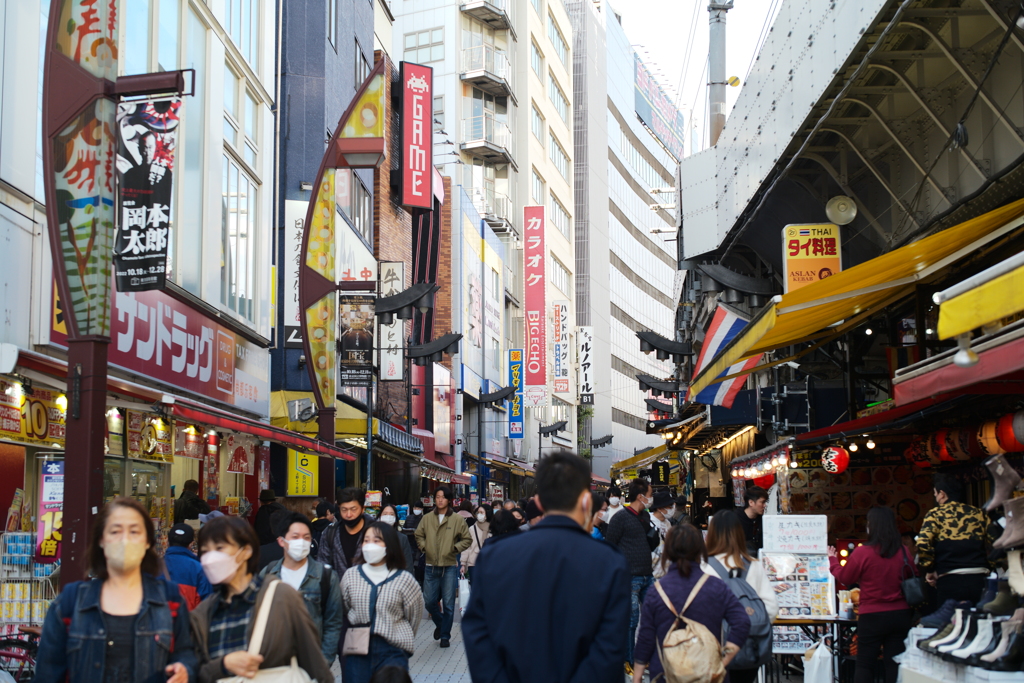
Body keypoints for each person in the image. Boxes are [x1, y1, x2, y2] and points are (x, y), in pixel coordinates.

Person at [463, 451, 631, 683]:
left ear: (538, 501)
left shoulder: (495, 556)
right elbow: (609, 650)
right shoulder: (609, 562)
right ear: (585, 500)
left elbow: (478, 635)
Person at [36, 498, 196, 683]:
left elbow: (187, 655)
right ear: (101, 541)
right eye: (115, 531)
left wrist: (184, 670)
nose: (125, 540)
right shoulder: (71, 602)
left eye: (134, 531)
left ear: (147, 542)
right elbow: (46, 675)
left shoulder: (170, 599)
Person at [190, 515, 333, 683]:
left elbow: (313, 660)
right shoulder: (203, 613)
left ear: (246, 551)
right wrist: (223, 665)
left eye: (220, 548)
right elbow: (194, 672)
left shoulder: (281, 597)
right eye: (205, 551)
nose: (211, 558)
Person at [633, 523, 751, 683]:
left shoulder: (657, 591)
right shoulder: (716, 586)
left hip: (666, 673)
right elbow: (742, 622)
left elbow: (646, 637)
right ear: (700, 550)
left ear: (668, 551)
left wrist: (638, 675)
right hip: (709, 673)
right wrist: (725, 659)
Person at [829, 507, 916, 683]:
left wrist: (833, 560)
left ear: (872, 526)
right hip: (900, 615)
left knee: (865, 664)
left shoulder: (863, 552)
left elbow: (846, 577)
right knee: (894, 663)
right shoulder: (903, 551)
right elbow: (913, 575)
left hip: (872, 615)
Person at [340, 522, 424, 682]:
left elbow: (414, 617)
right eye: (366, 540)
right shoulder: (351, 576)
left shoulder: (404, 579)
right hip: (357, 649)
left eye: (377, 540)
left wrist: (396, 634)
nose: (370, 545)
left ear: (389, 545)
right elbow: (344, 608)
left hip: (392, 651)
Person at [703, 510, 779, 683]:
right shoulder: (754, 565)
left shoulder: (704, 567)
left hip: (713, 650)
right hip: (749, 649)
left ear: (712, 534)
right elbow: (771, 609)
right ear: (739, 533)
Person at [259, 511, 344, 664]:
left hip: (311, 661)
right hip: (273, 661)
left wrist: (324, 661)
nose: (301, 542)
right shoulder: (268, 574)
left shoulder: (325, 577)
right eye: (295, 537)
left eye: (306, 538)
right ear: (281, 541)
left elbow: (333, 622)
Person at [916, 473, 991, 606]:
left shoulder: (935, 515)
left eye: (935, 493)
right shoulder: (978, 513)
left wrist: (930, 569)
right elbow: (996, 541)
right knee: (980, 621)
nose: (935, 496)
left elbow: (923, 543)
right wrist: (992, 566)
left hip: (949, 579)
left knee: (949, 622)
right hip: (979, 578)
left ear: (942, 494)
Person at [605, 478, 656, 672]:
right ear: (641, 496)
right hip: (630, 577)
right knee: (632, 621)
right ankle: (629, 659)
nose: (651, 499)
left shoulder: (645, 516)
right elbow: (610, 545)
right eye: (649, 496)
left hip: (647, 574)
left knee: (653, 615)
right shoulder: (620, 517)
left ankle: (647, 656)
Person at [414, 486, 471, 648]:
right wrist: (425, 547)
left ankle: (445, 635)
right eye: (437, 497)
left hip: (449, 566)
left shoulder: (457, 519)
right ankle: (440, 624)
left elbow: (466, 539)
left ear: (449, 500)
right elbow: (419, 534)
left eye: (443, 497)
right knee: (429, 601)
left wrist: (454, 549)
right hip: (431, 566)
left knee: (448, 603)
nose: (439, 500)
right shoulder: (427, 518)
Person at [320, 487, 376, 576]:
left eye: (353, 509)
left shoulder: (377, 531)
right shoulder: (330, 533)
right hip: (338, 588)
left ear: (362, 509)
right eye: (344, 510)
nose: (348, 515)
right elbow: (322, 566)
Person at [165, 522, 214, 610]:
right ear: (191, 544)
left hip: (158, 622)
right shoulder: (199, 568)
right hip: (189, 621)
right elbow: (206, 604)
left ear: (167, 542)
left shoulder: (155, 565)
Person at [461, 505, 492, 583]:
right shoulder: (472, 529)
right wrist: (463, 563)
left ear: (487, 514)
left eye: (482, 512)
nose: (479, 515)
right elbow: (467, 546)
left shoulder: (493, 528)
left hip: (490, 563)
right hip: (474, 563)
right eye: (478, 512)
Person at [378, 504, 415, 569]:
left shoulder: (402, 539)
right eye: (385, 514)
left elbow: (408, 564)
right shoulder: (373, 537)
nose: (388, 516)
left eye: (391, 514)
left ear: (395, 518)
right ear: (380, 516)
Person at [649, 491, 675, 577]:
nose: (672, 508)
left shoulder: (667, 522)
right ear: (659, 508)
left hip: (666, 569)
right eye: (670, 506)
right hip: (654, 571)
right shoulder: (649, 522)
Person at [736, 486, 768, 556]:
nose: (764, 505)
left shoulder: (764, 520)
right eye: (762, 502)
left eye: (765, 502)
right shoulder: (735, 519)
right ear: (751, 502)